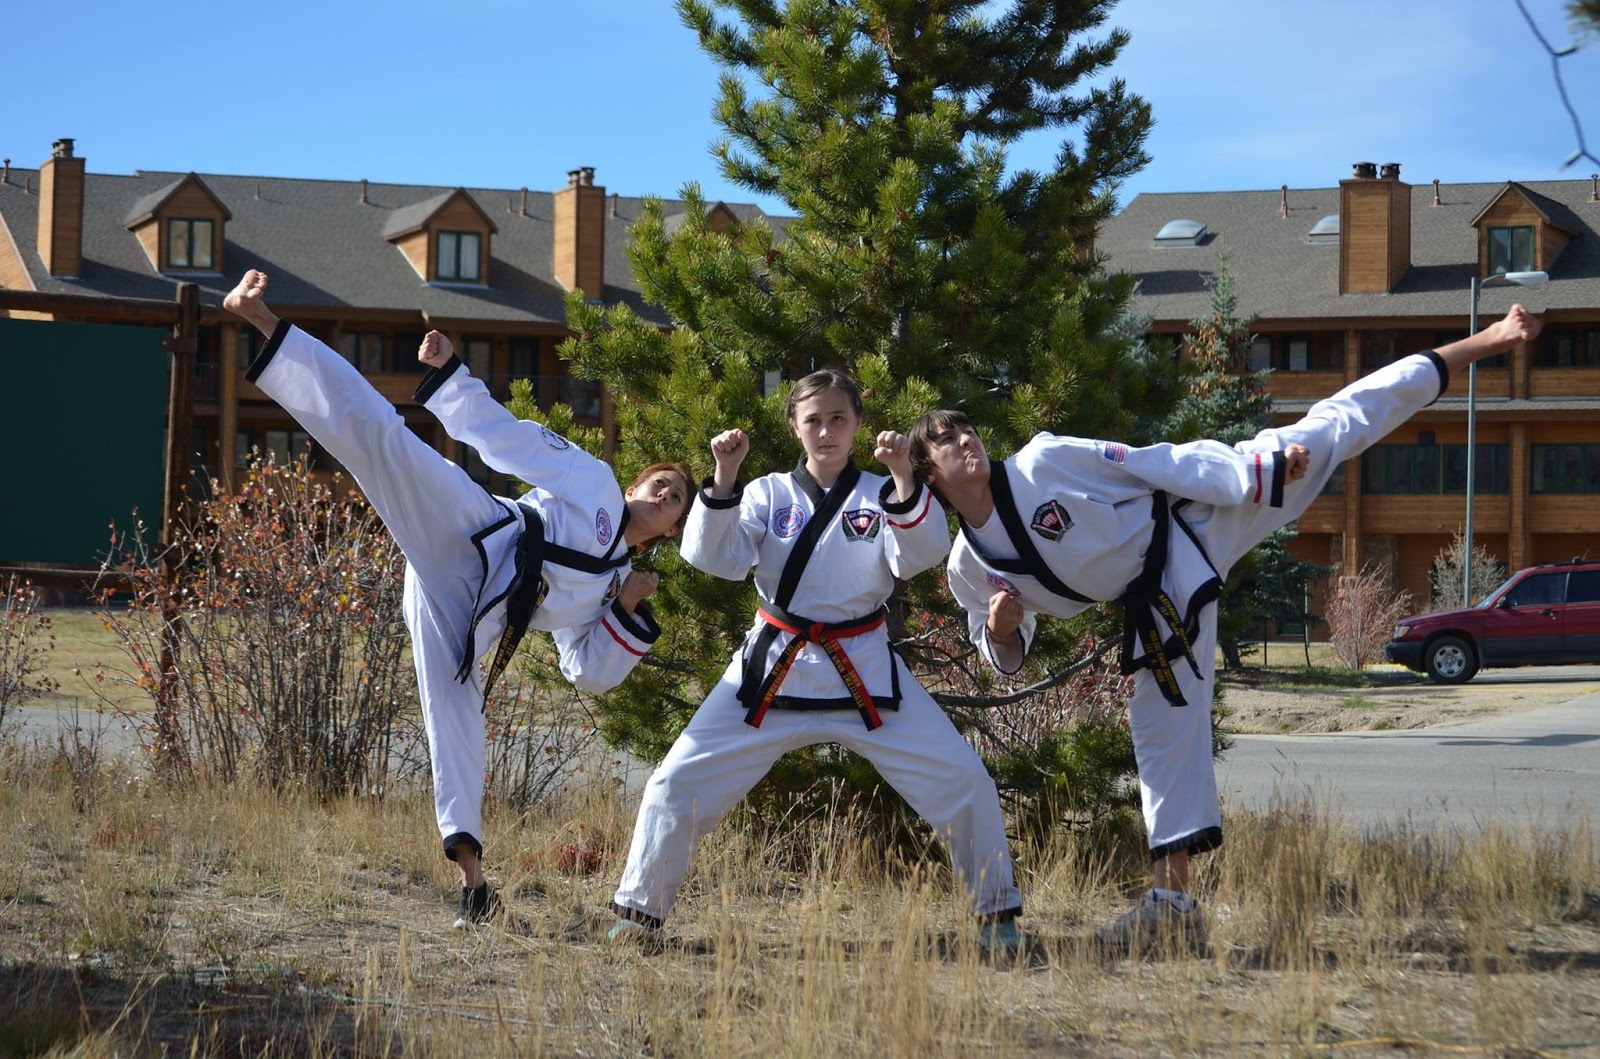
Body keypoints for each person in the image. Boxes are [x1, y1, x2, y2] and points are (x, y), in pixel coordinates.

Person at [906, 305, 1544, 952]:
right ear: (930, 474)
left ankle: (1487, 338)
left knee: (1335, 423)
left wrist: (1255, 473)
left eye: (968, 429)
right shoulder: (969, 566)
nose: (967, 440)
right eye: (946, 440)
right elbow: (1000, 654)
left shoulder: (1043, 461)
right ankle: (1173, 908)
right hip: (1159, 599)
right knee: (1162, 732)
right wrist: (1004, 628)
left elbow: (1156, 462)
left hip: (1202, 515)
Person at [222, 270, 693, 929]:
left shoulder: (614, 588)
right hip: (479, 529)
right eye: (660, 483)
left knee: (456, 715)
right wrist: (452, 378)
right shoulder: (595, 484)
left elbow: (586, 670)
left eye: (676, 500)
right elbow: (512, 439)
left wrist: (627, 610)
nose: (664, 495)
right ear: (636, 486)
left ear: (672, 529)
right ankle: (264, 321)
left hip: (474, 613)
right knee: (386, 442)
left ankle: (474, 886)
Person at [608, 369, 1025, 951]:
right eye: (814, 420)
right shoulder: (767, 493)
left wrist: (904, 476)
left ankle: (996, 916)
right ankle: (638, 914)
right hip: (774, 667)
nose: (826, 431)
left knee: (963, 779)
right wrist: (725, 474)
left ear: (856, 423)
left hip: (863, 672)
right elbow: (715, 558)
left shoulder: (880, 492)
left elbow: (918, 557)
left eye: (838, 418)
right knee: (677, 780)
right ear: (794, 428)